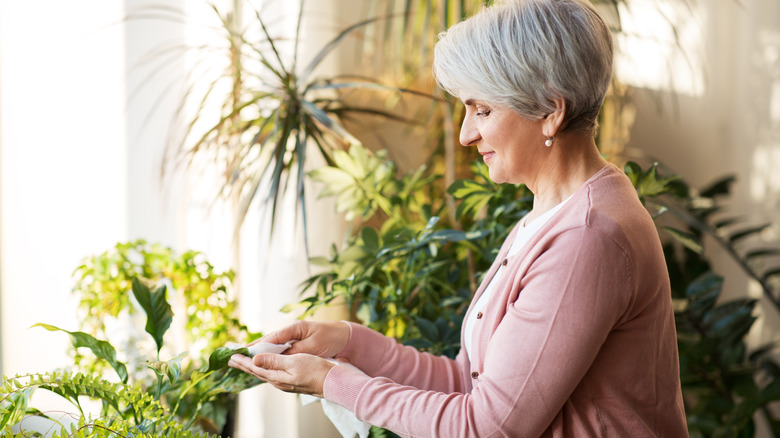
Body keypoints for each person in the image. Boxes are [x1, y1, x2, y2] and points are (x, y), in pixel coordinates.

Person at [229, 0, 688, 436]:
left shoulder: (588, 237)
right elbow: (473, 385)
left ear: (551, 110)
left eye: (483, 110)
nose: (467, 134)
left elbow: (487, 427)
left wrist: (334, 382)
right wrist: (349, 344)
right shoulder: (554, 214)